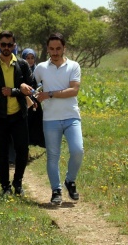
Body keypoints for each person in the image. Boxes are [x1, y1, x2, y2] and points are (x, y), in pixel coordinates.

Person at [31, 32, 83, 206]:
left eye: (58, 49)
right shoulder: (40, 68)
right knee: (53, 156)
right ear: (47, 49)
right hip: (50, 119)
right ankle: (56, 190)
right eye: (51, 49)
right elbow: (32, 87)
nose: (55, 52)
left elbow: (74, 90)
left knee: (78, 151)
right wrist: (34, 97)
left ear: (64, 48)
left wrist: (49, 94)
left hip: (71, 116)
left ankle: (70, 181)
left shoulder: (73, 66)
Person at [0, 31, 34, 196]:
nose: (6, 48)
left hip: (19, 115)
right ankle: (5, 186)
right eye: (3, 44)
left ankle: (18, 183)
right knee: (1, 152)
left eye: (10, 45)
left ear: (14, 46)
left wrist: (13, 91)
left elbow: (30, 89)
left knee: (22, 151)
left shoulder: (23, 65)